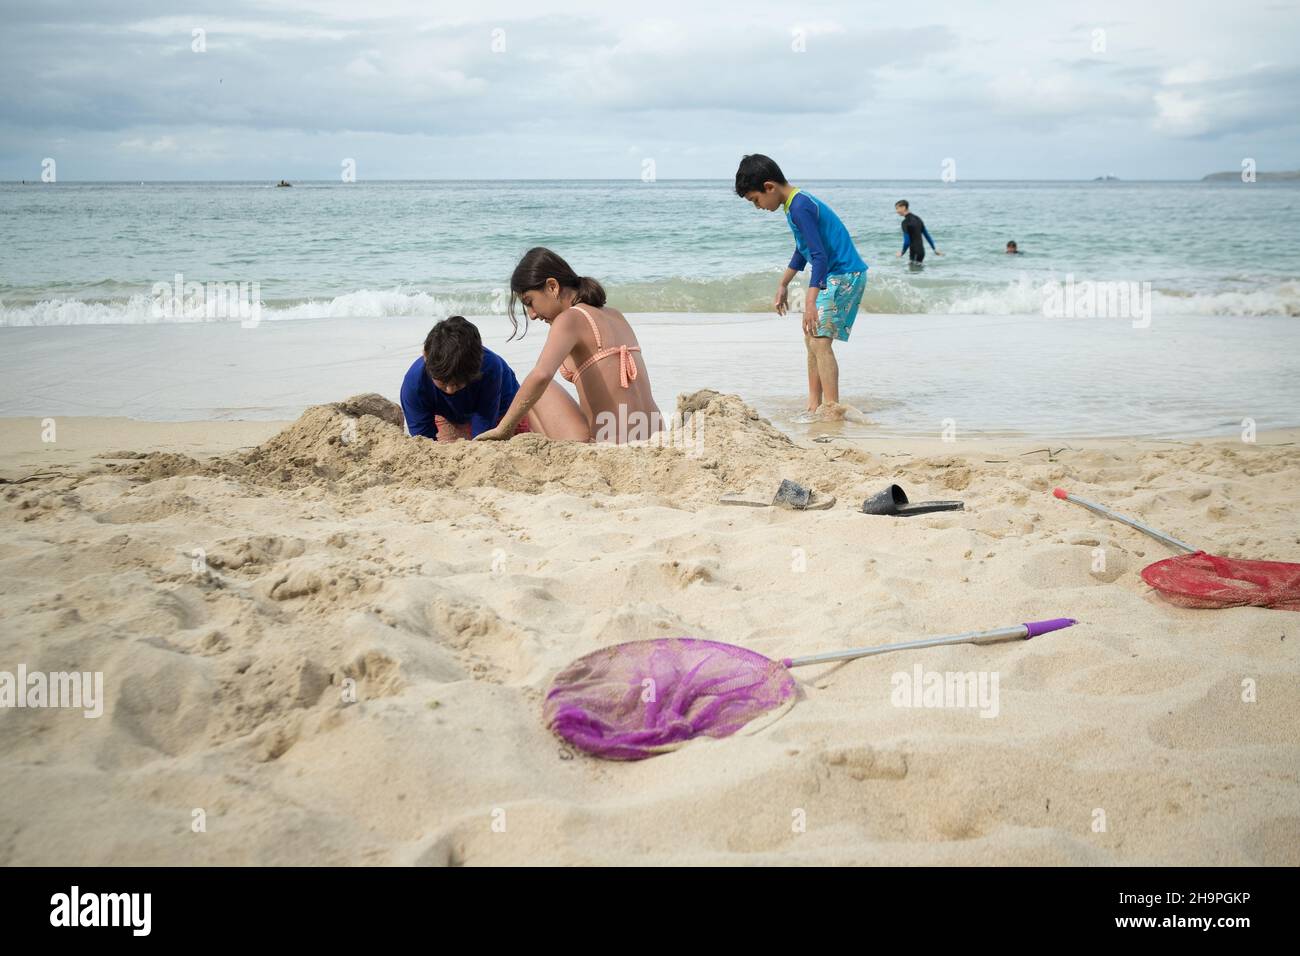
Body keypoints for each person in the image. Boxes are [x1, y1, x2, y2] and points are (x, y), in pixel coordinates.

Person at [476, 248, 660, 443]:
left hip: (614, 441)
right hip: (654, 435)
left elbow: (541, 375)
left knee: (540, 388)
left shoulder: (569, 319)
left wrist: (503, 429)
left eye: (530, 302)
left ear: (552, 286)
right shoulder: (615, 314)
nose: (532, 314)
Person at [734, 153, 868, 415]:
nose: (757, 206)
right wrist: (783, 283)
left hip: (844, 275)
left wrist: (809, 301)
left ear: (769, 187)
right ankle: (813, 404)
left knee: (819, 341)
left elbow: (820, 255)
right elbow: (802, 249)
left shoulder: (800, 206)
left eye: (755, 200)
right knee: (811, 338)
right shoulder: (794, 205)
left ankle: (831, 407)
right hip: (833, 275)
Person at [400, 315, 563, 441]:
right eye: (442, 382)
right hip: (447, 412)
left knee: (511, 445)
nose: (450, 390)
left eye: (457, 384)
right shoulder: (414, 384)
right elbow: (422, 440)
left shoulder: (490, 367)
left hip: (502, 407)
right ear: (426, 356)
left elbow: (484, 431)